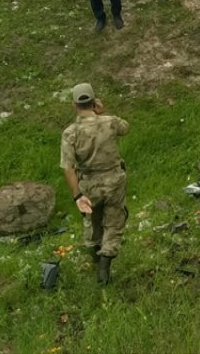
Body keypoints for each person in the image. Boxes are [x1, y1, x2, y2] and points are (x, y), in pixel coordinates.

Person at [60, 83, 129, 285]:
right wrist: (102, 112)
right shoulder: (110, 122)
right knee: (114, 219)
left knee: (93, 221)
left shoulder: (70, 133)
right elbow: (125, 128)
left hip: (88, 183)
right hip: (114, 180)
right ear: (94, 101)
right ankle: (106, 262)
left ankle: (95, 256)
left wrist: (77, 195)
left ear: (74, 105)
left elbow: (68, 168)